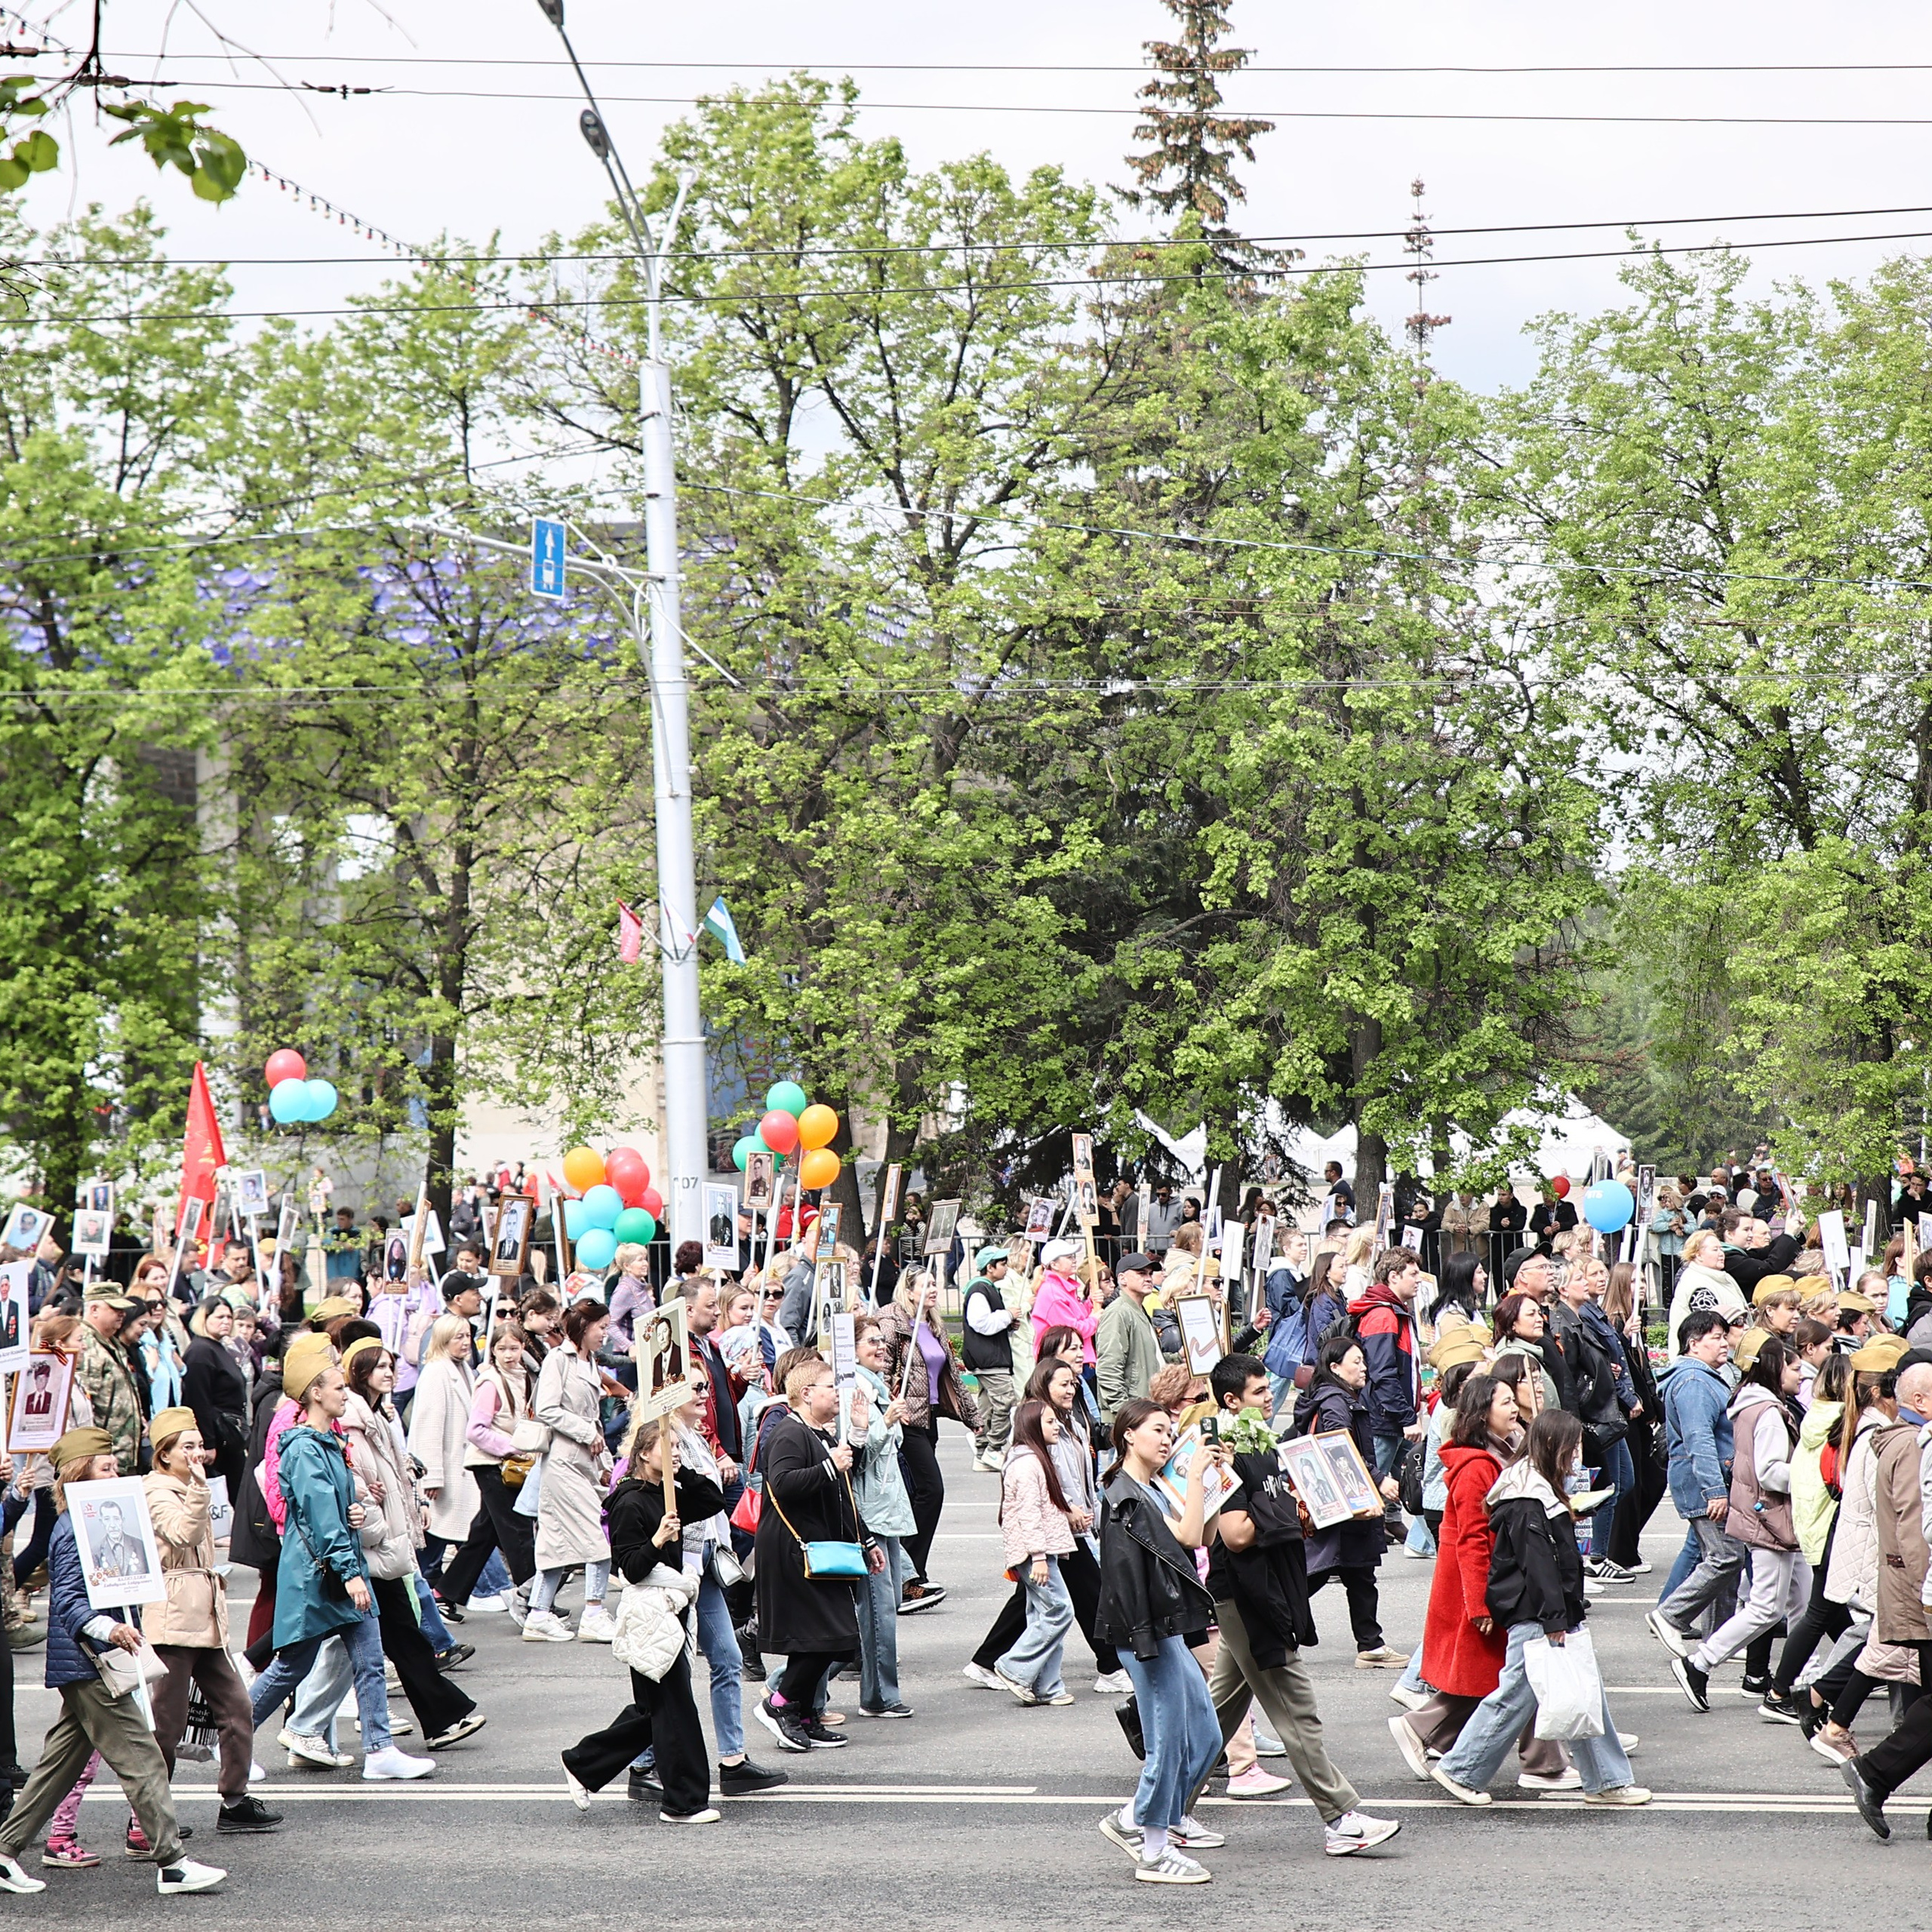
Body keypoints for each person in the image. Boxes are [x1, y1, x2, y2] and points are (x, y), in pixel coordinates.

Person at [0, 1426, 228, 1897]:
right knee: (144, 1759)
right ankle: (172, 1864)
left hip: (90, 1662)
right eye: (106, 1467)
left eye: (115, 1465)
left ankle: (3, 1855)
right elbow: (68, 1603)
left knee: (57, 1770)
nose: (117, 1472)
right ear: (80, 1473)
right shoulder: (72, 1530)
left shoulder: (89, 1523)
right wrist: (112, 1630)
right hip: (92, 1663)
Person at [1193, 1355, 1401, 1856]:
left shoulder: (1264, 1446)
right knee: (1297, 1710)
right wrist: (1290, 1509)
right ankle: (1341, 1818)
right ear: (1231, 1402)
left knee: (1213, 1719)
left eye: (1268, 1389)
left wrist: (1315, 1508)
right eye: (1259, 1392)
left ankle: (1158, 1811)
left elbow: (1280, 1516)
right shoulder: (1223, 1454)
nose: (1271, 1397)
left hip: (1266, 1589)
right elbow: (1235, 1535)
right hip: (1246, 1596)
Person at [1429, 1409, 1649, 1807]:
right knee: (1524, 1695)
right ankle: (1461, 1769)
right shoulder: (1529, 1494)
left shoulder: (1531, 1485)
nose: (1577, 1456)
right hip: (1537, 1613)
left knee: (1579, 1690)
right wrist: (1555, 1619)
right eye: (1572, 1447)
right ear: (1553, 1446)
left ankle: (1606, 1780)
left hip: (1544, 1610)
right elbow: (1539, 1564)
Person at [246, 1347, 435, 1783]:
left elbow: (333, 1507)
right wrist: (351, 1573)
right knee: (292, 1666)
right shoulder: (304, 1448)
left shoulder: (327, 1441)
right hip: (320, 1574)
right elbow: (320, 1518)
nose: (345, 1394)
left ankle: (380, 1751)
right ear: (315, 1393)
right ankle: (232, 1739)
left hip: (336, 1567)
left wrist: (354, 1509)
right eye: (337, 1387)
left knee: (369, 1660)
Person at [560, 1417, 729, 1824]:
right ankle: (683, 1803)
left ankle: (583, 1763)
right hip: (649, 1612)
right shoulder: (630, 1501)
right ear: (643, 1453)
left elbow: (712, 1501)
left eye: (678, 1447)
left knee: (655, 1710)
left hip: (672, 1607)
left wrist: (681, 1472)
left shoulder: (668, 1492)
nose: (675, 1453)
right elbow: (631, 1569)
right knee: (675, 1710)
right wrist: (657, 1540)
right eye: (667, 1447)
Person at [1093, 1397, 1225, 1885]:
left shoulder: (1147, 1490)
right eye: (1157, 1430)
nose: (1167, 1439)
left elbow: (1200, 1536)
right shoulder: (1126, 1497)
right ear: (1129, 1435)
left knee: (1207, 1735)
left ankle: (1145, 1817)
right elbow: (1186, 1536)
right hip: (1144, 1632)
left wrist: (1214, 1484)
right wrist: (1197, 1477)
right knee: (1168, 1741)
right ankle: (1152, 1847)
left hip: (1164, 1628)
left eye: (1171, 1432)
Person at [340, 1340, 487, 1749]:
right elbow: (358, 1486)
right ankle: (296, 1719)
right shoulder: (354, 1422)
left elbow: (390, 1476)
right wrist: (378, 1528)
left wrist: (413, 1504)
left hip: (386, 1542)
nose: (389, 1373)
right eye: (379, 1367)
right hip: (371, 1545)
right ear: (360, 1373)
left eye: (391, 1366)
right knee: (323, 1652)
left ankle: (442, 1719)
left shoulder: (378, 1415)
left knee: (400, 1635)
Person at [141, 1408, 281, 1835]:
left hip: (205, 1616)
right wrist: (201, 1489)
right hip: (173, 1617)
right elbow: (181, 1533)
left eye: (200, 1445)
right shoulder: (156, 1490)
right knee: (167, 1724)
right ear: (164, 1454)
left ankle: (235, 1801)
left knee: (237, 1707)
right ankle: (148, 1818)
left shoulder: (190, 1485)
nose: (198, 1453)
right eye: (187, 1447)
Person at [1666, 1335, 1809, 1712]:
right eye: (1795, 1368)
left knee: (1802, 1605)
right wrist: (1812, 1475)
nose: (1802, 1375)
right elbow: (1770, 1471)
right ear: (1776, 1367)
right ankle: (1700, 1663)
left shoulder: (1749, 1403)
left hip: (1767, 1515)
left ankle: (1802, 1682)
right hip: (1772, 1517)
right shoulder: (1769, 1412)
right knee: (1767, 1608)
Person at [752, 1358, 878, 1753]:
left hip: (820, 1548)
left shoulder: (818, 1433)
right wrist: (828, 1466)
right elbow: (783, 1484)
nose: (838, 1394)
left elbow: (841, 1492)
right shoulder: (789, 1433)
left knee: (830, 1639)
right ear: (807, 1394)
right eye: (830, 1387)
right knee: (825, 1635)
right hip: (794, 1552)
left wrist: (867, 1541)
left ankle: (804, 1714)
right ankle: (780, 1704)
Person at [1840, 1358, 1932, 1840]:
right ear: (1919, 1401)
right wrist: (1926, 1590)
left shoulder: (1901, 1440)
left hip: (1913, 1588)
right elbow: (1918, 1530)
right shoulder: (1914, 1445)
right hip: (1921, 1590)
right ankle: (1874, 1772)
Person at [1287, 1334, 1406, 1668]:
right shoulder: (1335, 1402)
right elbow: (1338, 1448)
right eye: (1356, 1362)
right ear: (1335, 1367)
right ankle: (1274, 1632)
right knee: (1319, 1573)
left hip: (1343, 1503)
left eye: (1363, 1361)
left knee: (1357, 1573)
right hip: (1345, 1505)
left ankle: (1371, 1645)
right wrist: (1379, 1479)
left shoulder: (1333, 1397)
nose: (1364, 1367)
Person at [874, 1266, 978, 1608]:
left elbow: (952, 1377)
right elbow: (882, 1367)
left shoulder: (932, 1323)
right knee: (932, 1491)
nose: (934, 1289)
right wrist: (887, 1406)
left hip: (928, 1417)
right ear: (909, 1290)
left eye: (935, 1283)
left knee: (918, 1493)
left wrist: (973, 1418)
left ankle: (908, 1572)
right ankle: (908, 1575)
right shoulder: (892, 1320)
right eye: (927, 1285)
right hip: (904, 1419)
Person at [435, 1320, 540, 1616]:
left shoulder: (523, 1377)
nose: (508, 1355)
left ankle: (445, 1592)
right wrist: (514, 1446)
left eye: (514, 1348)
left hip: (508, 1464)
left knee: (485, 1534)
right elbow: (475, 1430)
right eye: (501, 1348)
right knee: (518, 1531)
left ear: (523, 1348)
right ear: (492, 1350)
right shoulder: (491, 1382)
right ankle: (533, 1600)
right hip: (492, 1464)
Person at [527, 1300, 617, 1643]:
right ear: (584, 1326)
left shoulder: (589, 1360)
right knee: (597, 1537)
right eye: (602, 1327)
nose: (606, 1334)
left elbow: (595, 1422)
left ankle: (538, 1614)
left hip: (583, 1462)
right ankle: (593, 1612)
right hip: (562, 1461)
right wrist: (586, 1433)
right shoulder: (557, 1359)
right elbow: (547, 1408)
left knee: (555, 1541)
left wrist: (604, 1463)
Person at [991, 1398, 1078, 1706]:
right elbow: (1028, 1513)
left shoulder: (1033, 1458)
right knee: (1059, 1611)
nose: (1057, 1426)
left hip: (1038, 1550)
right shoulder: (1027, 1464)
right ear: (1031, 1425)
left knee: (1043, 1616)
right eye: (1050, 1421)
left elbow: (1044, 1505)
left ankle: (1047, 1686)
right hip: (1034, 1553)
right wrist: (1039, 1556)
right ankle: (1013, 1667)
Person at [849, 1316, 915, 1718]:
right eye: (871, 1341)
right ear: (853, 1348)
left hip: (888, 1512)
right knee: (877, 1612)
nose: (881, 1347)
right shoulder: (854, 1390)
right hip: (869, 1515)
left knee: (887, 1605)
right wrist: (885, 1423)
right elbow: (856, 1458)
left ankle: (794, 1684)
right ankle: (879, 1696)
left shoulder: (877, 1387)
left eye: (882, 1341)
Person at [1346, 1248, 1423, 1537]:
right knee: (1372, 1484)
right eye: (1413, 1274)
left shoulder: (1391, 1311)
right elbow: (1383, 1372)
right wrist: (1406, 1417)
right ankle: (1354, 1547)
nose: (1418, 1280)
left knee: (1417, 1476)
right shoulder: (1383, 1314)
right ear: (1393, 1276)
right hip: (1384, 1416)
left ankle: (1424, 1540)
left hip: (1390, 1414)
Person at [181, 1297, 250, 1496]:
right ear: (204, 1319)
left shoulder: (217, 1347)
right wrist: (208, 1444)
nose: (226, 1321)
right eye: (220, 1317)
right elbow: (198, 1401)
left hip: (229, 1435)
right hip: (217, 1438)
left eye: (229, 1317)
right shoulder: (200, 1352)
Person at [962, 1246, 1020, 1472]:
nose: (1006, 1267)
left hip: (988, 1357)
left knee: (987, 1405)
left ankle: (982, 1451)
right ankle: (994, 1448)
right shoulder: (979, 1290)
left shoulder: (986, 1289)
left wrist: (1008, 1323)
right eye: (1003, 1264)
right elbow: (981, 1323)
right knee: (1005, 1400)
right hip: (989, 1358)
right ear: (990, 1267)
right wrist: (1008, 1315)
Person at [1097, 1251, 1167, 1426]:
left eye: (1150, 1274)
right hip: (1129, 1417)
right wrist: (1125, 1412)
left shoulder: (1138, 1310)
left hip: (1141, 1411)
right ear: (1122, 1279)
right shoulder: (1118, 1312)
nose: (1148, 1278)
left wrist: (1178, 1357)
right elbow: (1108, 1368)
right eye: (1141, 1273)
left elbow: (1147, 1357)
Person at [1666, 1229, 1749, 1355]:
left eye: (1721, 1249)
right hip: (1705, 1359)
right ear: (1698, 1255)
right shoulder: (1697, 1284)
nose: (1721, 1254)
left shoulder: (1721, 1277)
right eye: (1715, 1250)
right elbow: (1711, 1327)